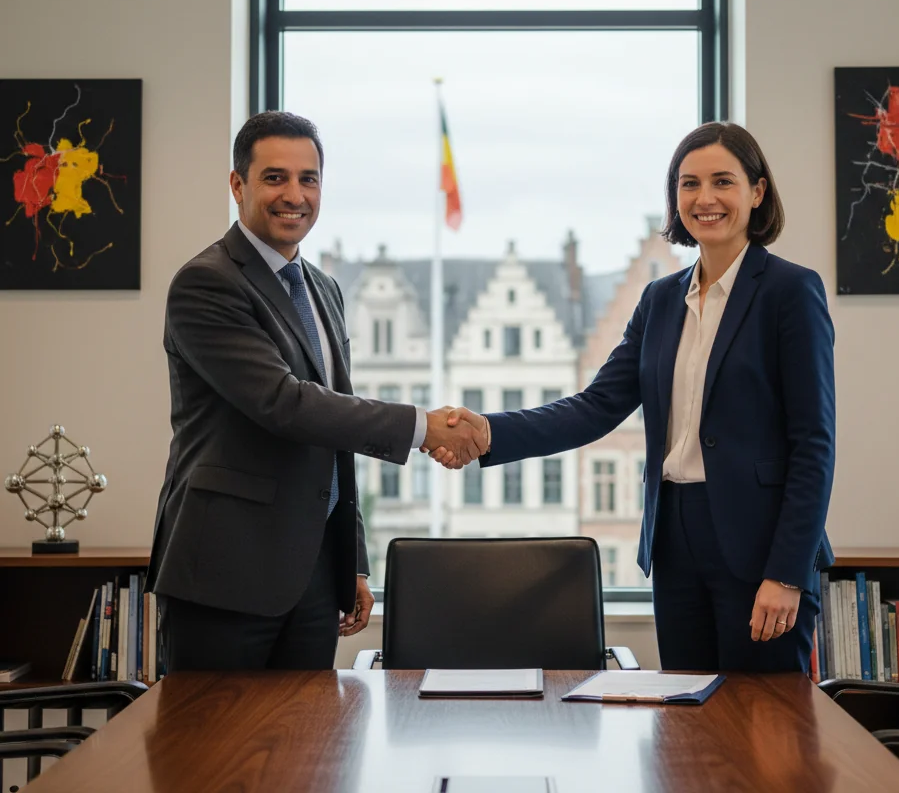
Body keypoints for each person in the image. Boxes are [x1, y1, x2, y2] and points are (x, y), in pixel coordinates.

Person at [431, 122, 835, 673]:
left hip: (760, 546)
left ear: (757, 192)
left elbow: (814, 444)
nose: (705, 198)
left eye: (723, 181)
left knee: (763, 731)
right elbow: (595, 406)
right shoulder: (660, 299)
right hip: (675, 539)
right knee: (686, 728)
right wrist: (487, 433)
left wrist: (787, 572)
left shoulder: (791, 291)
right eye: (689, 184)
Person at [148, 111, 484, 671]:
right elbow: (286, 404)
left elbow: (332, 435)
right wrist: (425, 428)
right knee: (208, 752)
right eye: (274, 177)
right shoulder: (206, 282)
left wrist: (348, 559)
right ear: (238, 185)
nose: (294, 195)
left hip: (310, 576)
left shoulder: (324, 289)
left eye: (309, 179)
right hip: (225, 573)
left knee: (306, 750)